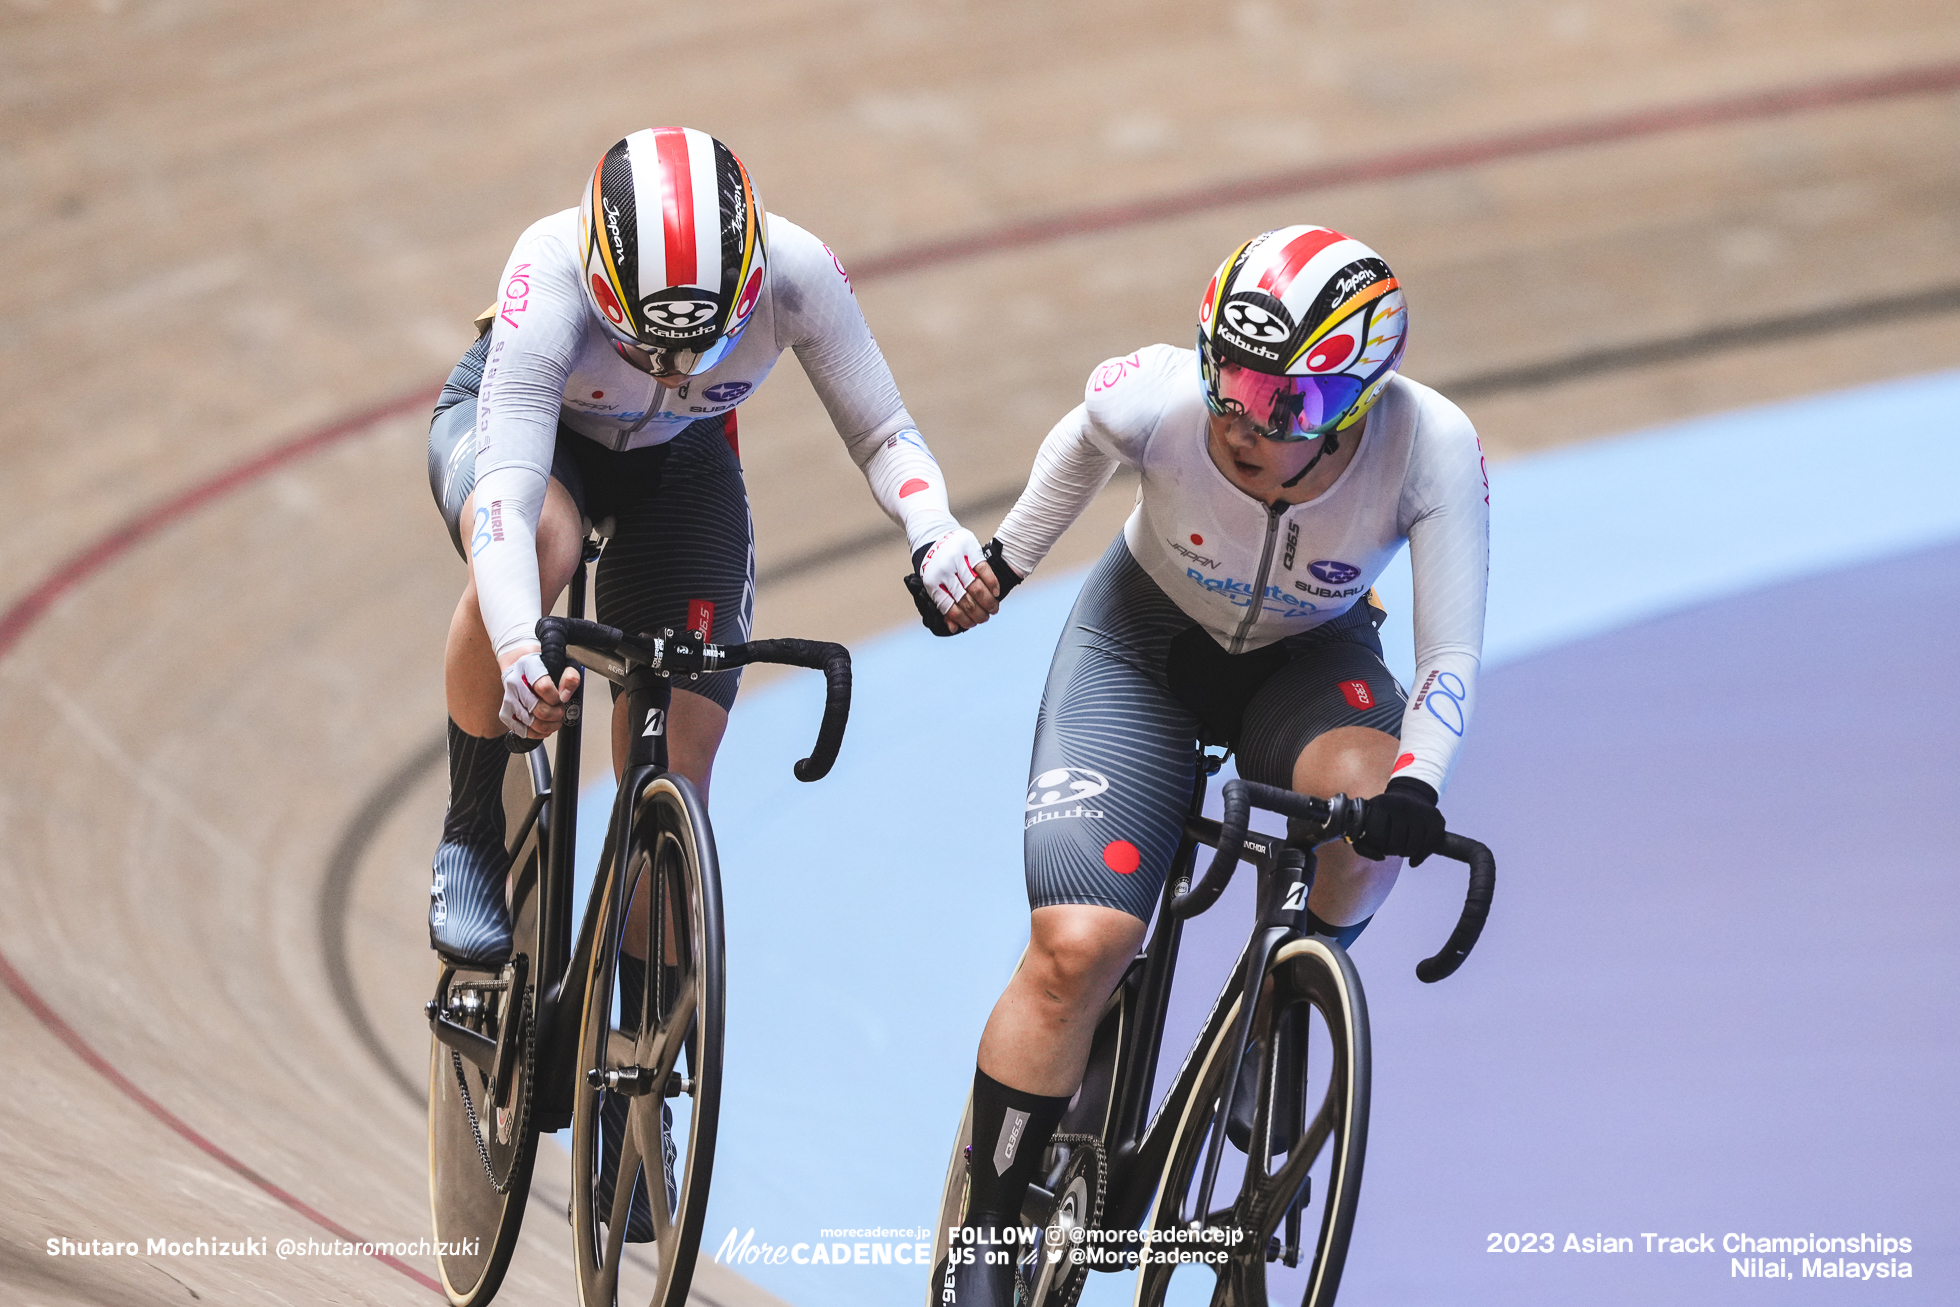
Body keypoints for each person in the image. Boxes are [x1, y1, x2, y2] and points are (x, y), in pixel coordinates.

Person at [940, 225, 1489, 1304]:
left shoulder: (1428, 445)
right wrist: (1004, 559)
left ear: (1360, 400)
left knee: (1368, 830)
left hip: (1309, 665)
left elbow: (1449, 653)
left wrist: (1417, 784)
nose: (1245, 419)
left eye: (1288, 402)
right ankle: (985, 1249)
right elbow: (1080, 441)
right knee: (1079, 945)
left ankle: (1276, 1003)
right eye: (1232, 381)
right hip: (1139, 654)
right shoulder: (1151, 397)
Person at [423, 126, 998, 965]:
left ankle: (625, 1059)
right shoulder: (547, 269)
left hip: (679, 456)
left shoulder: (798, 271)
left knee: (677, 763)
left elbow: (883, 432)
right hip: (531, 441)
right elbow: (508, 495)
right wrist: (517, 650)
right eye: (648, 346)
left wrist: (934, 531)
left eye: (698, 346)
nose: (672, 365)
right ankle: (471, 831)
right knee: (544, 542)